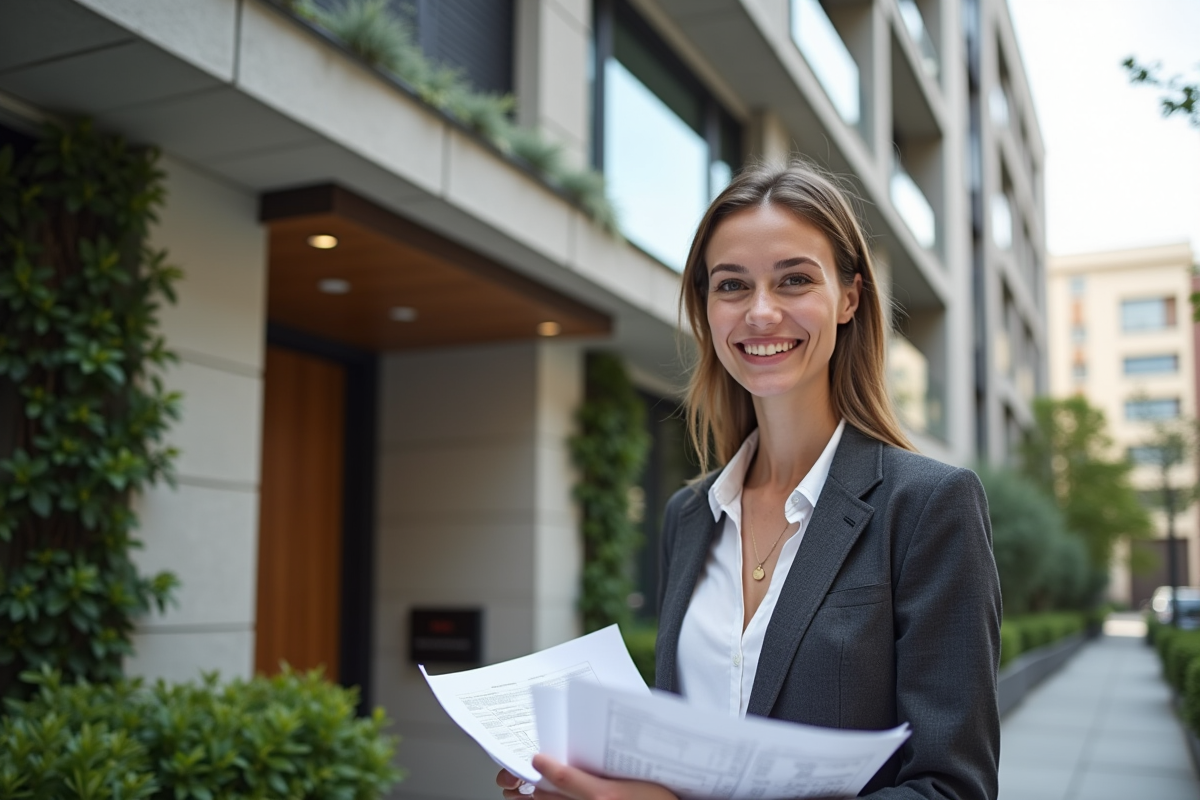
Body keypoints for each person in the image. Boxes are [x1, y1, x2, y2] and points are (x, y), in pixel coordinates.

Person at [498, 161, 1001, 800]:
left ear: (849, 297)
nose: (760, 313)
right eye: (732, 286)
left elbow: (952, 790)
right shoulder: (690, 515)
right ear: (707, 309)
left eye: (794, 280)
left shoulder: (930, 506)